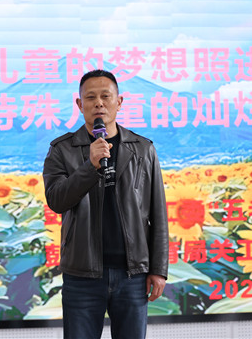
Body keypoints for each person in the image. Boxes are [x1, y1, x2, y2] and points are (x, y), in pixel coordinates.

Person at [43, 69, 169, 339]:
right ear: (80, 104)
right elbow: (56, 200)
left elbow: (158, 213)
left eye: (105, 96)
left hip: (132, 274)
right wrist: (90, 166)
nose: (98, 103)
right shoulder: (62, 149)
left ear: (119, 102)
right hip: (82, 274)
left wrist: (158, 270)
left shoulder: (142, 149)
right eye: (90, 97)